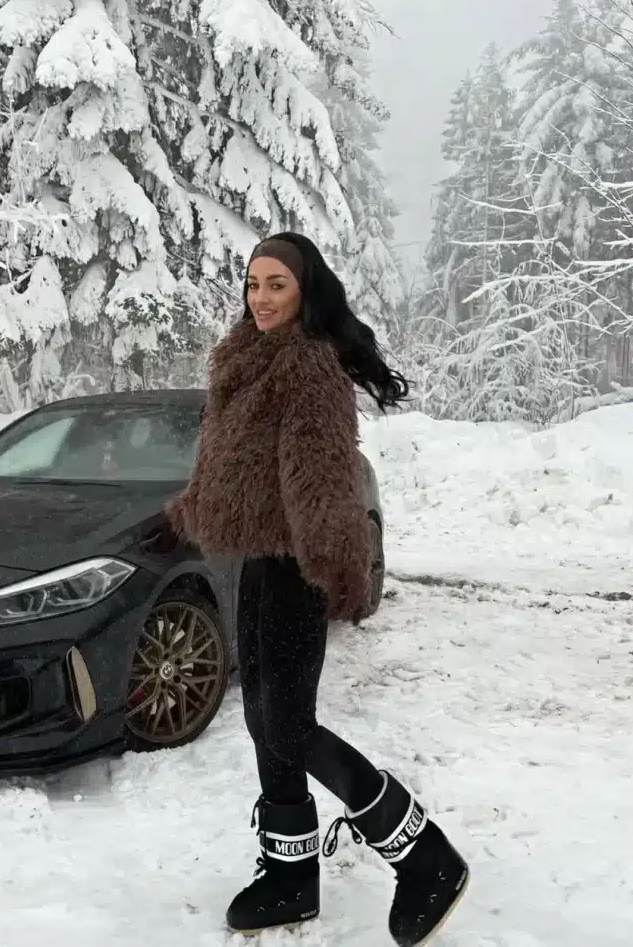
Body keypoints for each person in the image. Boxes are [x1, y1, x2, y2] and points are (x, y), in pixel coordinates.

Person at [149, 233, 469, 947]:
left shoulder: (308, 367)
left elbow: (324, 481)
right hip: (258, 560)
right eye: (252, 283)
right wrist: (190, 512)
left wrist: (336, 567)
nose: (260, 297)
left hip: (298, 566)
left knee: (286, 722)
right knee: (265, 720)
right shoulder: (244, 358)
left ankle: (423, 856)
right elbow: (235, 465)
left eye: (276, 285)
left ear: (305, 291)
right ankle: (290, 873)